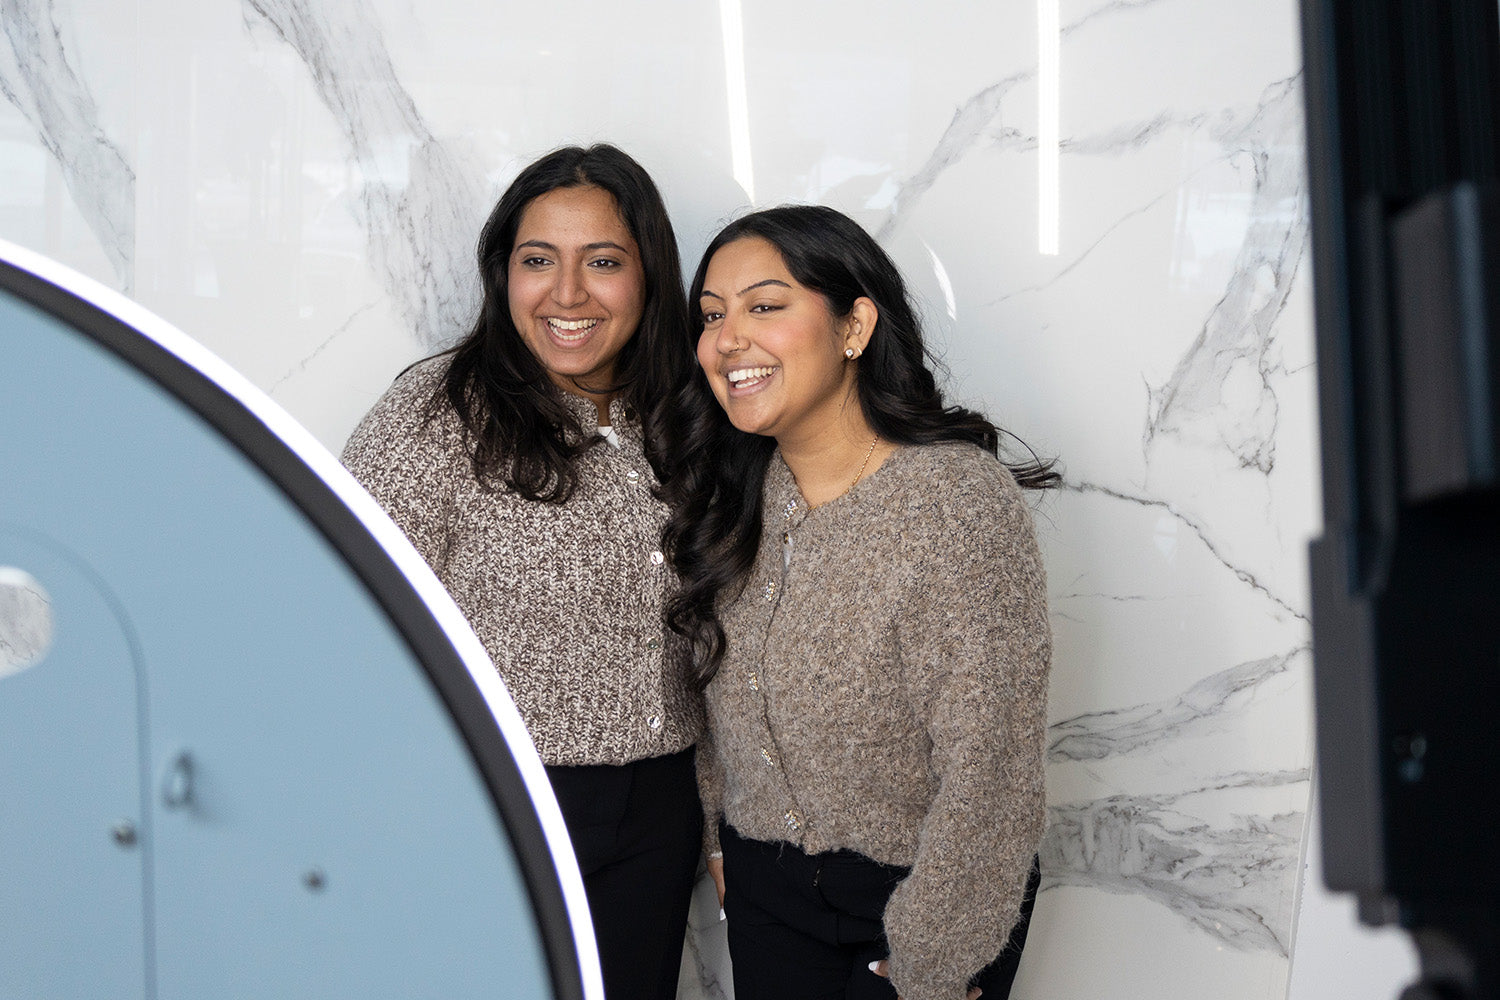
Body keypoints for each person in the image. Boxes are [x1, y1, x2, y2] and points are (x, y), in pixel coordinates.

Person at [662, 205, 1055, 1000]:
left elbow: (993, 764)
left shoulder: (953, 501)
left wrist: (933, 958)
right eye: (712, 315)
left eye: (765, 306)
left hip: (922, 903)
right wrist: (719, 846)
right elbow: (707, 696)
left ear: (855, 326)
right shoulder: (735, 498)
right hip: (768, 893)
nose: (727, 338)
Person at [342, 144, 702, 1000]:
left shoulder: (692, 418)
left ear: (649, 276)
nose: (567, 294)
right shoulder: (437, 415)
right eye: (538, 260)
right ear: (503, 274)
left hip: (663, 809)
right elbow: (344, 621)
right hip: (494, 805)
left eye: (603, 262)